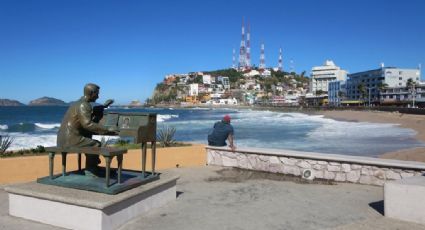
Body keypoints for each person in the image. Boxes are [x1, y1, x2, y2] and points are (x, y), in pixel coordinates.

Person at [57, 83, 118, 175]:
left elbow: (85, 119)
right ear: (92, 93)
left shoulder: (78, 103)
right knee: (96, 144)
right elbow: (87, 124)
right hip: (70, 139)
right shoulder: (84, 105)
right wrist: (107, 129)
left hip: (63, 138)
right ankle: (92, 169)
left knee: (90, 141)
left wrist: (103, 106)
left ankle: (92, 167)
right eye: (97, 93)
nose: (98, 96)